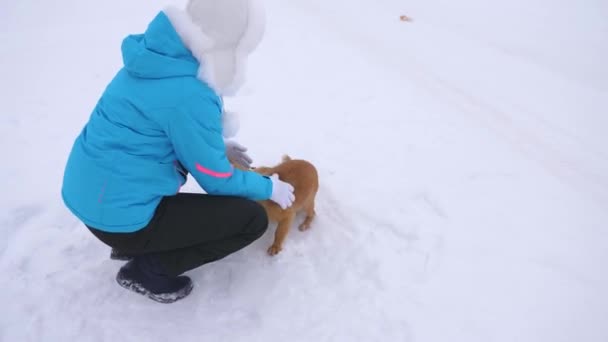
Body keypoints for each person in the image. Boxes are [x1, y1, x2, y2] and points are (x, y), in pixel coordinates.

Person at [61, 0, 295, 304]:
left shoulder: (155, 59)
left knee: (177, 199)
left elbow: (151, 129)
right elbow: (218, 181)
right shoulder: (191, 92)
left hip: (91, 197)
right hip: (119, 216)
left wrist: (215, 146)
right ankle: (149, 269)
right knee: (250, 219)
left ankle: (136, 243)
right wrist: (269, 187)